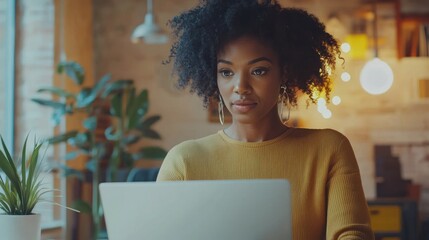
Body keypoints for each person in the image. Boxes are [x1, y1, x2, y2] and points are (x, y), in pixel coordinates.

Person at [157, 0, 374, 239]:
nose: (240, 87)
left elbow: (352, 233)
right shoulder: (183, 163)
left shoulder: (329, 149)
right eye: (226, 72)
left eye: (259, 70)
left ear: (285, 73)